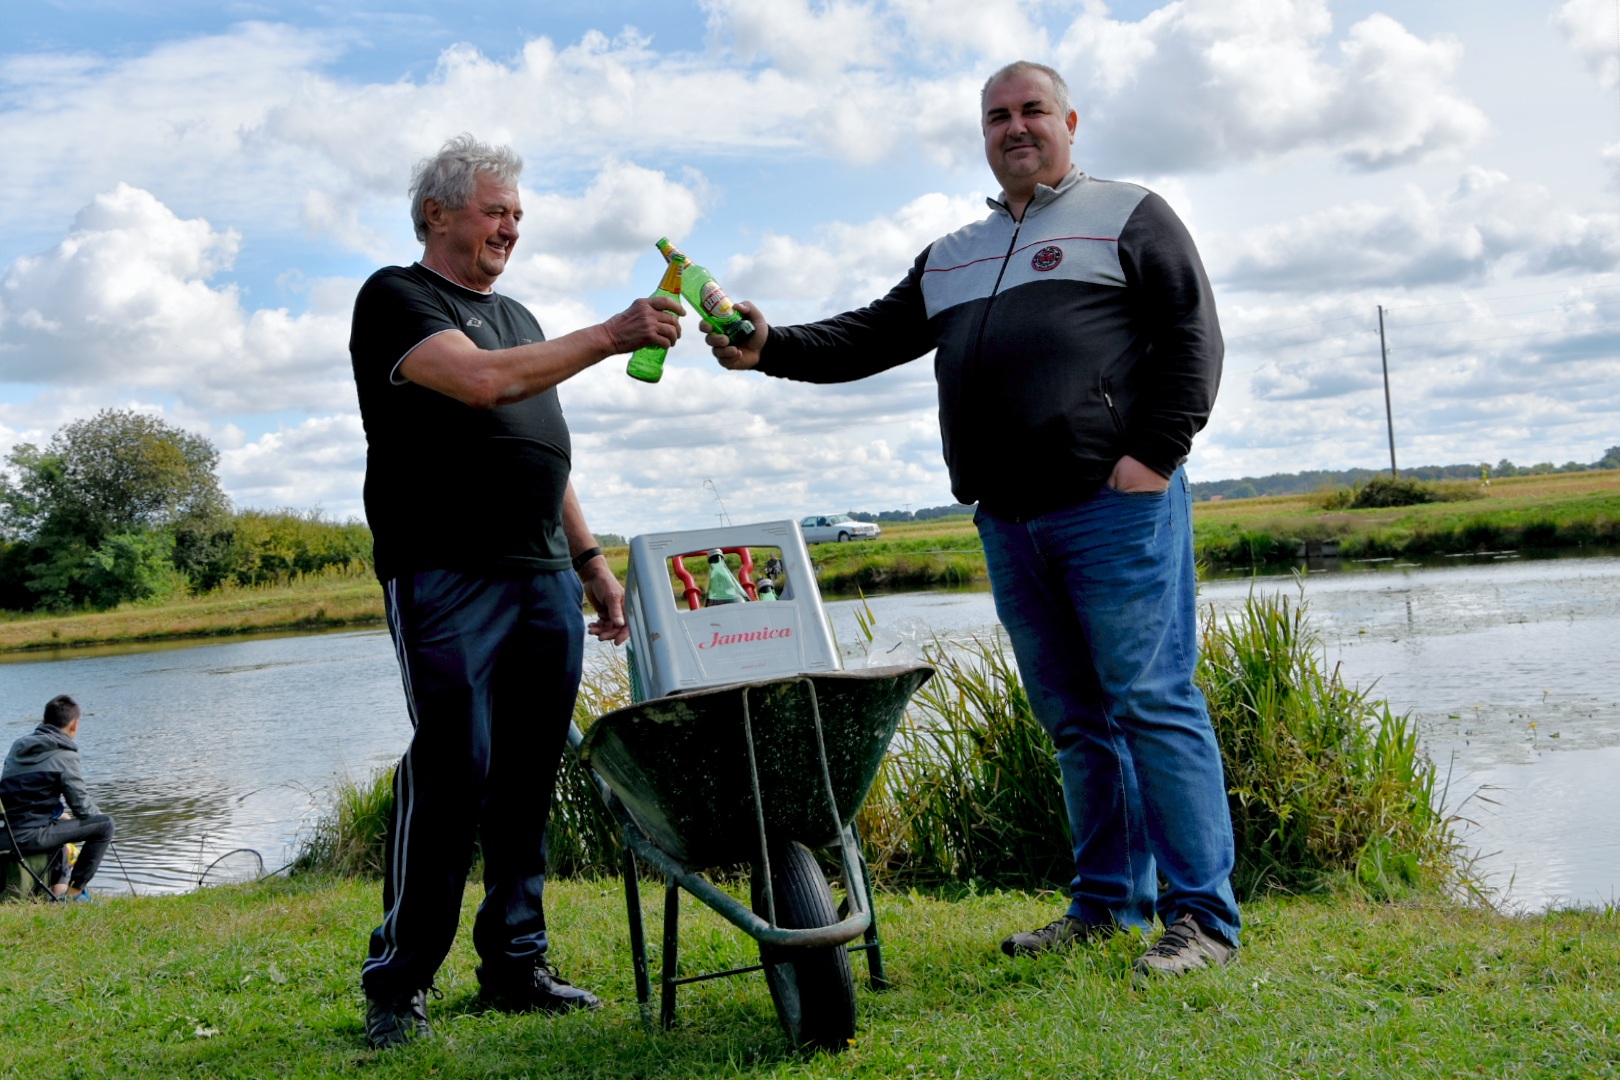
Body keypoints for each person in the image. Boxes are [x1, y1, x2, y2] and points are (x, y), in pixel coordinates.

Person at [707, 61, 1240, 977]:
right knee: (1076, 722)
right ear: (983, 133)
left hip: (1115, 508)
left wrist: (1153, 458)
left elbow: (1194, 334)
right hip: (1010, 519)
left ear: (1070, 120)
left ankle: (1205, 923)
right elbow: (873, 334)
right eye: (998, 116)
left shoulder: (1128, 212)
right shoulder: (952, 251)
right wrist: (772, 347)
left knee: (1153, 704)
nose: (1016, 127)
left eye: (1033, 111)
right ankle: (1107, 907)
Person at [349, 133, 680, 1050]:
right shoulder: (396, 298)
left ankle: (515, 966)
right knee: (454, 769)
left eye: (518, 217)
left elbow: (543, 446)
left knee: (529, 778)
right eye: (496, 211)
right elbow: (484, 387)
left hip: (542, 574)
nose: (510, 229)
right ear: (437, 214)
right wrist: (611, 335)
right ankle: (400, 982)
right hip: (445, 571)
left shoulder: (525, 317)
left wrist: (590, 559)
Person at [0, 695, 116, 902]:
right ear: (74, 725)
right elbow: (84, 810)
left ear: (44, 721)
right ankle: (74, 894)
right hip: (31, 836)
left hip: (6, 835)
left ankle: (57, 891)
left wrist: (59, 814)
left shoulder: (17, 749)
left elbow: (23, 796)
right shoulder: (64, 756)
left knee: (58, 825)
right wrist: (97, 816)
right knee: (105, 825)